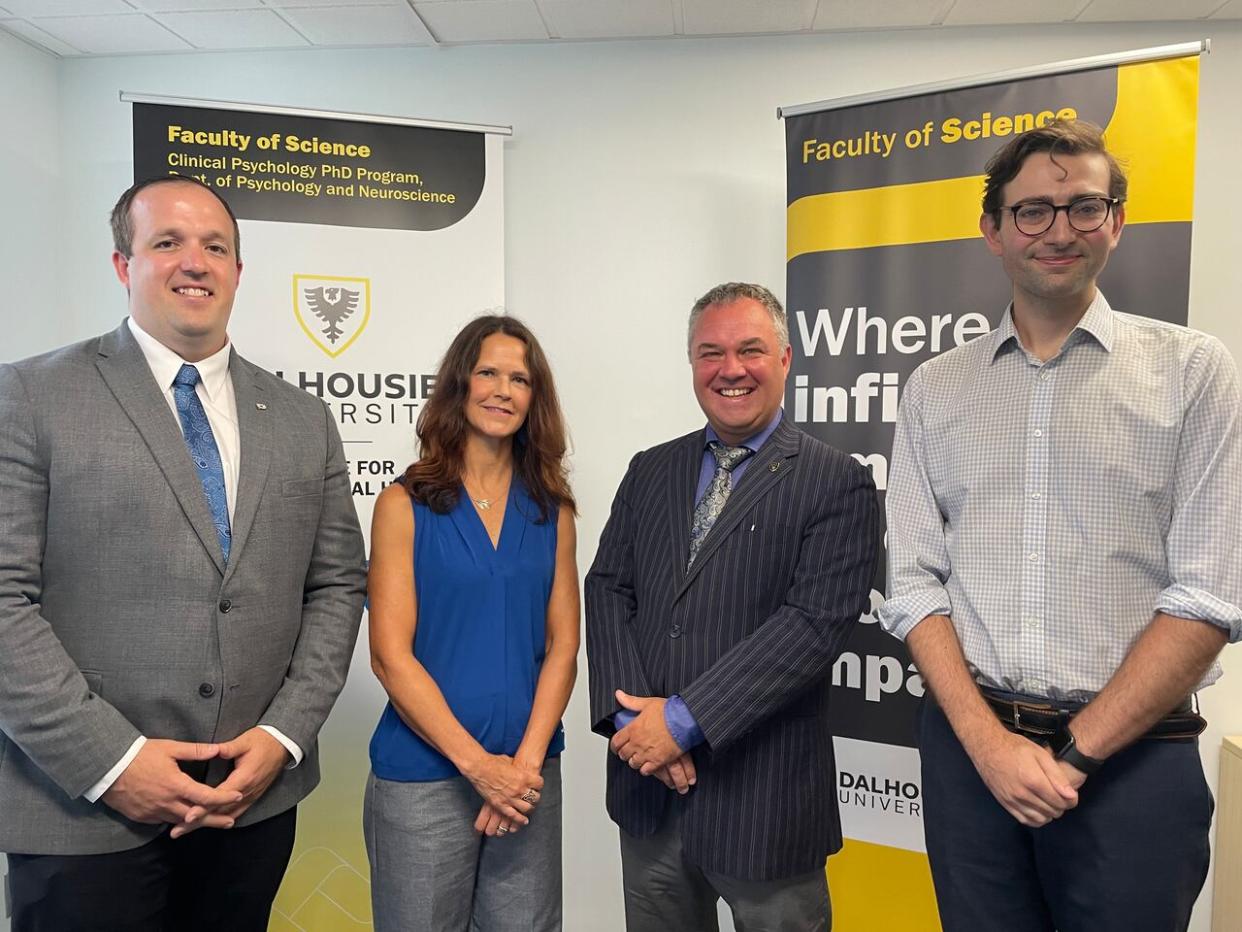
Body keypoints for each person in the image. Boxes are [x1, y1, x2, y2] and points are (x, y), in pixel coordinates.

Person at [880, 119, 1241, 932]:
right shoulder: (937, 389)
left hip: (1136, 767)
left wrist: (1074, 755)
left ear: (1116, 221)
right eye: (1033, 211)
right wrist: (987, 745)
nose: (1058, 230)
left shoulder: (1193, 373)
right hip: (973, 762)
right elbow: (911, 582)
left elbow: (1211, 594)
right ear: (994, 231)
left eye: (1083, 206)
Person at [0, 175, 367, 931]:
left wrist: (283, 735)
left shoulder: (303, 419)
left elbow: (335, 584)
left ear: (238, 270)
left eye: (215, 246)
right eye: (166, 242)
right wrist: (112, 762)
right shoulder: (29, 397)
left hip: (250, 804)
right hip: (83, 813)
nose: (193, 261)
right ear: (121, 264)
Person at [585, 282, 880, 931]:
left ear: (784, 358)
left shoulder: (837, 480)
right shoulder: (650, 469)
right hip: (649, 799)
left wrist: (683, 723)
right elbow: (607, 586)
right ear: (692, 364)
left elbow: (813, 625)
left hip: (765, 808)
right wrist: (631, 726)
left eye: (750, 349)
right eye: (710, 352)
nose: (730, 369)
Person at [364, 314, 579, 932]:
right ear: (459, 384)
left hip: (529, 779)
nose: (502, 390)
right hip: (424, 783)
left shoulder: (552, 511)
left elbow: (564, 647)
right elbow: (389, 656)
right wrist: (482, 769)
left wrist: (523, 769)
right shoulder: (403, 504)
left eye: (520, 378)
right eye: (487, 372)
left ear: (535, 399)